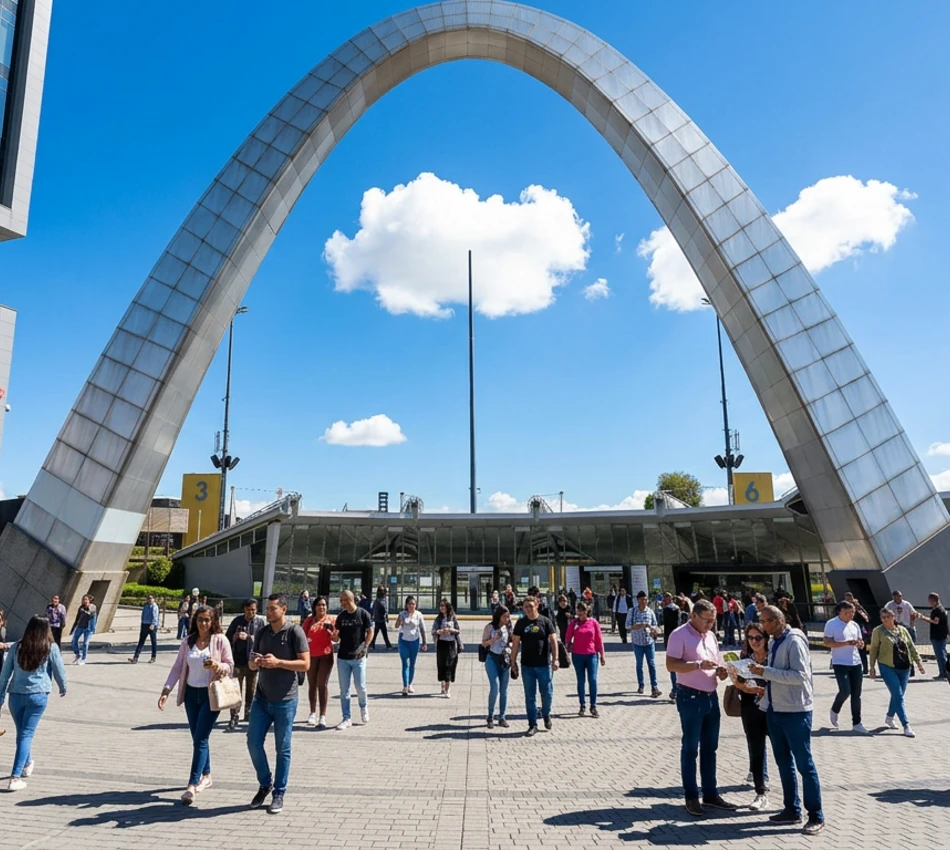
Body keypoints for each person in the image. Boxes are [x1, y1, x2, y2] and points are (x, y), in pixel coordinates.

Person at [748, 605, 823, 835]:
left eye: (766, 622)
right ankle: (792, 808)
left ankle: (816, 815)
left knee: (804, 764)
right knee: (783, 762)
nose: (763, 626)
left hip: (796, 711)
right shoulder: (774, 642)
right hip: (775, 710)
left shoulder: (794, 641)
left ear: (778, 620)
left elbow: (800, 676)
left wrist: (765, 672)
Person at [157, 604, 234, 805]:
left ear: (213, 621)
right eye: (200, 619)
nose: (203, 623)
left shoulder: (220, 640)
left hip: (211, 695)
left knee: (200, 739)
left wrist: (217, 666)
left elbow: (230, 666)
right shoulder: (188, 642)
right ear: (195, 620)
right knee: (199, 738)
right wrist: (166, 690)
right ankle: (206, 775)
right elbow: (177, 667)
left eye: (207, 620)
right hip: (191, 695)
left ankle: (192, 785)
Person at [665, 599, 735, 817]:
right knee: (690, 748)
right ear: (693, 616)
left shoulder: (711, 636)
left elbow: (715, 663)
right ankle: (691, 796)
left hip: (711, 696)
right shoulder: (679, 635)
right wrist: (696, 665)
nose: (710, 625)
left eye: (713, 621)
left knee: (710, 747)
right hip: (690, 697)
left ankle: (711, 793)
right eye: (707, 621)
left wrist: (721, 672)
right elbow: (671, 664)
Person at [246, 593, 310, 814]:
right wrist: (255, 663)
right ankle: (265, 783)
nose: (268, 612)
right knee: (253, 743)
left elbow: (305, 664)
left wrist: (279, 662)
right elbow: (252, 663)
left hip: (285, 700)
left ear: (283, 609)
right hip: (262, 698)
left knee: (282, 749)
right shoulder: (262, 632)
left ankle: (279, 792)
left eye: (273, 608)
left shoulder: (295, 632)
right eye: (267, 608)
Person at [0, 616, 67, 791]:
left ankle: (27, 762)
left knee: (23, 733)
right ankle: (15, 777)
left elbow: (4, 675)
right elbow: (59, 669)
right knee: (26, 734)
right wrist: (63, 687)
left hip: (16, 695)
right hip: (38, 695)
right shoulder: (50, 647)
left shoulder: (16, 647)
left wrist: (0, 697)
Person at [733, 621, 771, 811]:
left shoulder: (773, 657)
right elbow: (738, 683)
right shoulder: (746, 658)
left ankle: (792, 795)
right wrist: (749, 687)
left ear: (766, 638)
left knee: (784, 751)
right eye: (750, 638)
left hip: (774, 708)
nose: (754, 641)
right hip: (750, 707)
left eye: (758, 637)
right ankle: (760, 792)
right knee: (756, 750)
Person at [870, 607, 925, 737]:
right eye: (882, 617)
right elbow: (874, 649)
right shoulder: (878, 631)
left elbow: (911, 646)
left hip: (904, 666)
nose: (885, 620)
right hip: (887, 666)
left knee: (898, 695)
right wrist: (871, 666)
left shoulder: (902, 630)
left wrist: (918, 662)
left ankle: (889, 716)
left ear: (893, 617)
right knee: (898, 694)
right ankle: (906, 725)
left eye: (887, 617)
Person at [512, 595, 558, 737]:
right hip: (527, 666)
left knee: (547, 693)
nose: (528, 609)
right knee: (530, 696)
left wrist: (555, 659)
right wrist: (513, 662)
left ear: (537, 605)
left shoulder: (545, 621)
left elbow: (554, 641)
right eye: (525, 607)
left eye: (531, 606)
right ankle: (532, 724)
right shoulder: (520, 623)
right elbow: (515, 644)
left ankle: (546, 713)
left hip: (544, 664)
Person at [823, 600, 867, 733]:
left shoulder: (854, 625)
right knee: (845, 690)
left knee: (856, 694)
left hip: (855, 662)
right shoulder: (832, 624)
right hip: (840, 662)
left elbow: (861, 642)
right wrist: (846, 643)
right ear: (839, 612)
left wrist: (860, 644)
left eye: (852, 612)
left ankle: (857, 722)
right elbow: (827, 642)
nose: (850, 615)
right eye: (847, 612)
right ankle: (835, 709)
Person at [332, 590, 373, 729]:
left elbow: (370, 631)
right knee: (344, 690)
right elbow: (336, 637)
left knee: (360, 687)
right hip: (343, 657)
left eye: (344, 600)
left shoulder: (363, 614)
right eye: (341, 600)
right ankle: (346, 717)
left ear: (351, 599)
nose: (342, 603)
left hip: (358, 657)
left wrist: (365, 647)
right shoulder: (341, 617)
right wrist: (332, 635)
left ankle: (363, 706)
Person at [224, 598, 266, 730]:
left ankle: (249, 712)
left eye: (253, 610)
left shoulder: (260, 622)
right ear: (244, 610)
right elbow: (226, 639)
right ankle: (234, 715)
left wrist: (249, 637)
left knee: (251, 689)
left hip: (253, 661)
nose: (250, 612)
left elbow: (264, 640)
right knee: (236, 690)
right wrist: (234, 638)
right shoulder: (237, 621)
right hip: (238, 660)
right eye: (248, 610)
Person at [566, 600, 605, 717]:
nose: (581, 614)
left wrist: (602, 655)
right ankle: (582, 705)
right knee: (580, 681)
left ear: (587, 611)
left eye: (583, 611)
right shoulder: (574, 623)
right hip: (577, 655)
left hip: (591, 654)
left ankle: (593, 706)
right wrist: (567, 647)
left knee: (592, 680)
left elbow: (599, 640)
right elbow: (567, 637)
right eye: (579, 611)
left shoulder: (593, 623)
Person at [481, 605, 512, 728]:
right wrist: (494, 639)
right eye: (505, 616)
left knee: (504, 690)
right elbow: (483, 643)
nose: (508, 619)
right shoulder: (490, 627)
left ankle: (502, 717)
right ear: (499, 616)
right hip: (492, 658)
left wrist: (510, 646)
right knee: (495, 687)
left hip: (504, 659)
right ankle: (490, 715)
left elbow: (513, 640)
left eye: (508, 616)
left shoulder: (509, 627)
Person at [628, 590, 661, 698]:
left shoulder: (650, 612)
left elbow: (655, 625)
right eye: (642, 599)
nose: (644, 601)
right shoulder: (632, 611)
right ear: (638, 600)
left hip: (649, 642)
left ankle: (654, 686)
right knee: (639, 664)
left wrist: (654, 630)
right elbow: (627, 625)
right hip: (637, 642)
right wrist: (640, 626)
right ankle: (641, 684)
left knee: (652, 664)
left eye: (646, 599)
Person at [395, 595, 428, 695]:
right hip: (403, 641)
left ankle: (410, 684)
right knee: (405, 663)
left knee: (412, 663)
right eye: (409, 604)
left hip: (414, 641)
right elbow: (396, 626)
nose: (411, 606)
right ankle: (405, 686)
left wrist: (424, 642)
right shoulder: (402, 614)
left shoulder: (418, 615)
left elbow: (422, 629)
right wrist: (400, 620)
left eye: (413, 604)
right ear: (406, 605)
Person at [432, 599, 463, 698]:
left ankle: (448, 688)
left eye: (443, 606)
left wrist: (450, 630)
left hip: (451, 644)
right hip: (441, 644)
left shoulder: (453, 618)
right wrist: (439, 631)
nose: (441, 607)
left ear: (447, 607)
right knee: (442, 665)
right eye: (440, 606)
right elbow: (433, 631)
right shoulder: (438, 619)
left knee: (450, 665)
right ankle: (443, 683)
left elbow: (458, 630)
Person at [915, 592, 948, 679]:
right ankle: (943, 673)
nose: (929, 603)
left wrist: (923, 617)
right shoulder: (941, 609)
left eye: (930, 601)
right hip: (941, 635)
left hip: (938, 636)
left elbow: (935, 621)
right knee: (941, 654)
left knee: (940, 655)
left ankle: (944, 673)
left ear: (933, 601)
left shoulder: (937, 610)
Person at [844, 593, 872, 676]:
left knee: (862, 650)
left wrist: (858, 608)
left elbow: (867, 618)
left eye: (850, 599)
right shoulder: (843, 609)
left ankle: (865, 668)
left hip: (860, 630)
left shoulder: (858, 608)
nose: (849, 601)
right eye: (847, 599)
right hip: (847, 630)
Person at [128, 594, 160, 664]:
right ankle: (135, 657)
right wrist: (142, 622)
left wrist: (153, 624)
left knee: (153, 642)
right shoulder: (146, 606)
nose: (149, 600)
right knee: (141, 641)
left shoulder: (154, 606)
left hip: (151, 625)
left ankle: (153, 657)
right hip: (144, 624)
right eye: (148, 598)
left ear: (154, 599)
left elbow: (155, 616)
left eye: (151, 598)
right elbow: (143, 615)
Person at [661, 593, 682, 700]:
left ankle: (675, 690)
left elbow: (669, 623)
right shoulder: (674, 609)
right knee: (676, 666)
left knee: (673, 666)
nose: (667, 599)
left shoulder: (669, 609)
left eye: (668, 597)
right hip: (675, 639)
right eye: (665, 597)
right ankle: (676, 689)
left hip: (671, 639)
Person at [69, 595, 97, 665]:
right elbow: (77, 618)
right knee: (74, 641)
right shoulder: (81, 607)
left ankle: (83, 659)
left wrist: (85, 610)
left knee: (85, 643)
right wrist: (73, 627)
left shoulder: (93, 606)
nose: (84, 601)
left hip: (89, 628)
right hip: (80, 626)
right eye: (83, 599)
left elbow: (90, 614)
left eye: (86, 599)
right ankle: (77, 654)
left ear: (89, 600)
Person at [370, 586, 392, 650]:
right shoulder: (377, 600)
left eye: (383, 591)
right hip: (378, 619)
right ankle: (373, 645)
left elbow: (386, 609)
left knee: (382, 633)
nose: (382, 592)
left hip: (382, 619)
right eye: (381, 591)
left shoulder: (384, 599)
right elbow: (375, 609)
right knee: (378, 633)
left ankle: (387, 645)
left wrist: (387, 616)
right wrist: (373, 616)